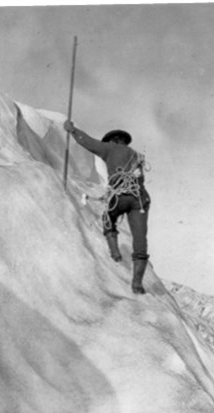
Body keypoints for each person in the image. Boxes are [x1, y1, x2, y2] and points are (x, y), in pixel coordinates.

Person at [64, 119, 151, 294]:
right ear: (124, 141)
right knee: (140, 239)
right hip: (140, 199)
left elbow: (88, 142)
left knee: (108, 217)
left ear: (112, 141)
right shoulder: (137, 156)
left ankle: (115, 252)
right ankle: (137, 284)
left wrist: (72, 130)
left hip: (120, 195)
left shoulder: (110, 149)